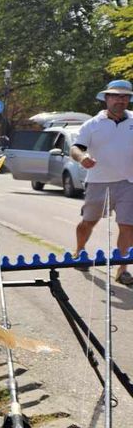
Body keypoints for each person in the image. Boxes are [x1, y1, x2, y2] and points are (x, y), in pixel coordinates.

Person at [69, 79, 133, 286]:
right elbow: (75, 148)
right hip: (98, 182)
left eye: (125, 97)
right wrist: (82, 158)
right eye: (115, 96)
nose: (120, 100)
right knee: (88, 222)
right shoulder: (92, 125)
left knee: (127, 226)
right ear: (106, 98)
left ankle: (122, 269)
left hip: (128, 182)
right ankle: (79, 252)